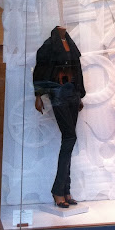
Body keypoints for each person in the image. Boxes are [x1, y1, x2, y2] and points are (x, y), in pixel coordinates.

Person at [33, 26, 85, 208]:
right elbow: (40, 71)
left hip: (73, 94)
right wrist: (38, 95)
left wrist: (80, 95)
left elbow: (78, 70)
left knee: (68, 140)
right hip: (58, 94)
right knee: (70, 137)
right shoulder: (49, 46)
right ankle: (58, 189)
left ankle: (65, 190)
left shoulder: (71, 44)